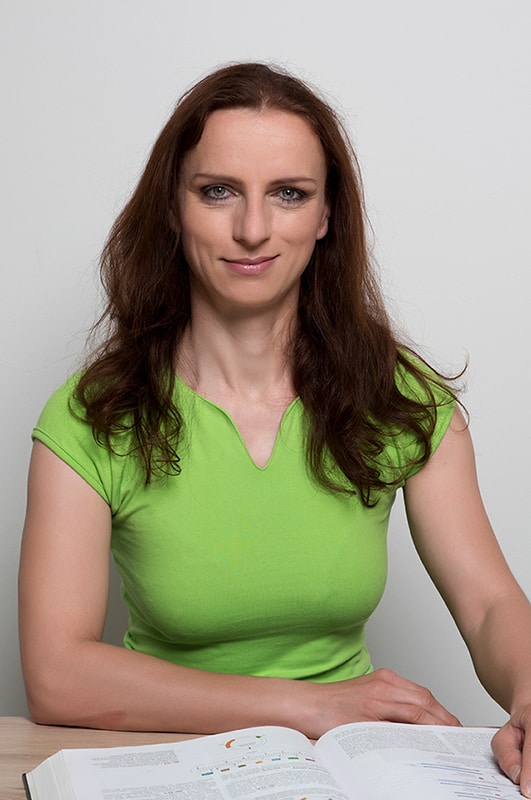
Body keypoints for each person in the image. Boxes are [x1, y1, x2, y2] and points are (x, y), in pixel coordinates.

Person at [18, 61, 531, 795]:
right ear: (173, 207)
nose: (252, 229)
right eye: (218, 191)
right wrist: (308, 706)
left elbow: (489, 606)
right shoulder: (90, 415)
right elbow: (57, 675)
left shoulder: (400, 399)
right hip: (173, 766)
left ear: (326, 216)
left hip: (351, 769)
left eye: (289, 194)